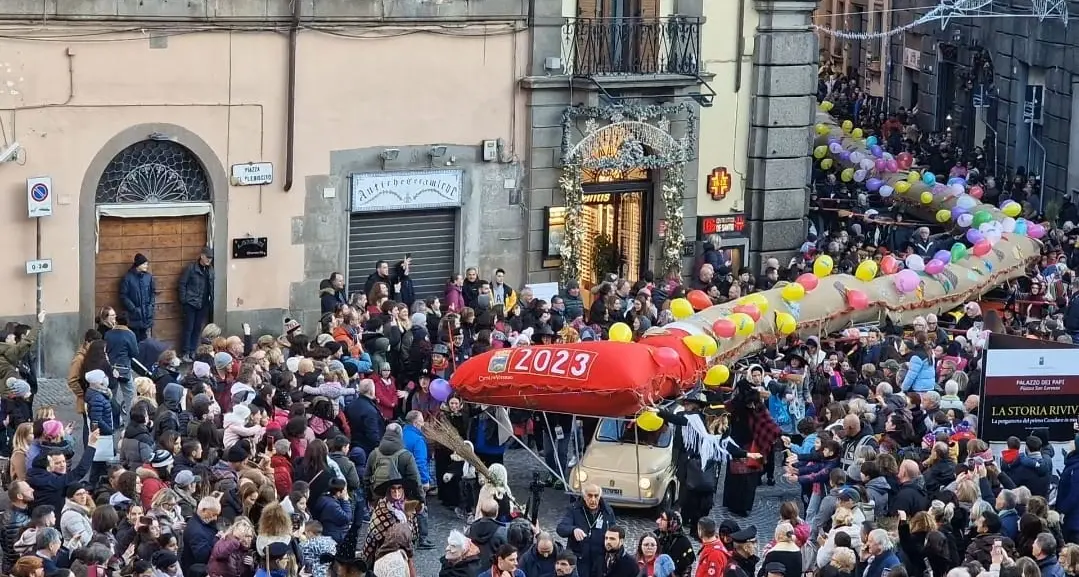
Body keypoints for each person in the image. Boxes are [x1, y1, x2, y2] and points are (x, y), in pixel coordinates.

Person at [27, 431, 98, 514]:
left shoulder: (33, 475)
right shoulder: (51, 481)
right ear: (47, 467)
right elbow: (80, 471)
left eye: (64, 461)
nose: (62, 465)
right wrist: (91, 445)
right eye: (56, 463)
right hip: (51, 520)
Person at [556, 483, 616, 577]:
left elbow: (614, 532)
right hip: (579, 559)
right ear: (584, 497)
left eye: (596, 496)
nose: (593, 499)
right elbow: (561, 528)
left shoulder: (607, 511)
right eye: (589, 496)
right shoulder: (574, 510)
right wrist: (573, 530)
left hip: (599, 561)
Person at [178, 247, 215, 362]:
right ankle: (185, 352)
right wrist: (184, 300)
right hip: (191, 303)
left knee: (197, 329)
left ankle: (193, 351)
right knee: (188, 328)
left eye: (211, 258)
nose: (209, 260)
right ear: (202, 256)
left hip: (204, 304)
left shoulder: (210, 270)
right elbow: (182, 283)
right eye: (208, 258)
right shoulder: (191, 268)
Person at [120, 252, 157, 342]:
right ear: (138, 264)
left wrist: (151, 306)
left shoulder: (149, 277)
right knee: (134, 340)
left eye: (147, 264)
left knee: (146, 341)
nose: (146, 266)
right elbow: (123, 295)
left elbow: (153, 292)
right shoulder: (127, 278)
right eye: (144, 264)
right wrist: (133, 309)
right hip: (134, 316)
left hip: (147, 315)